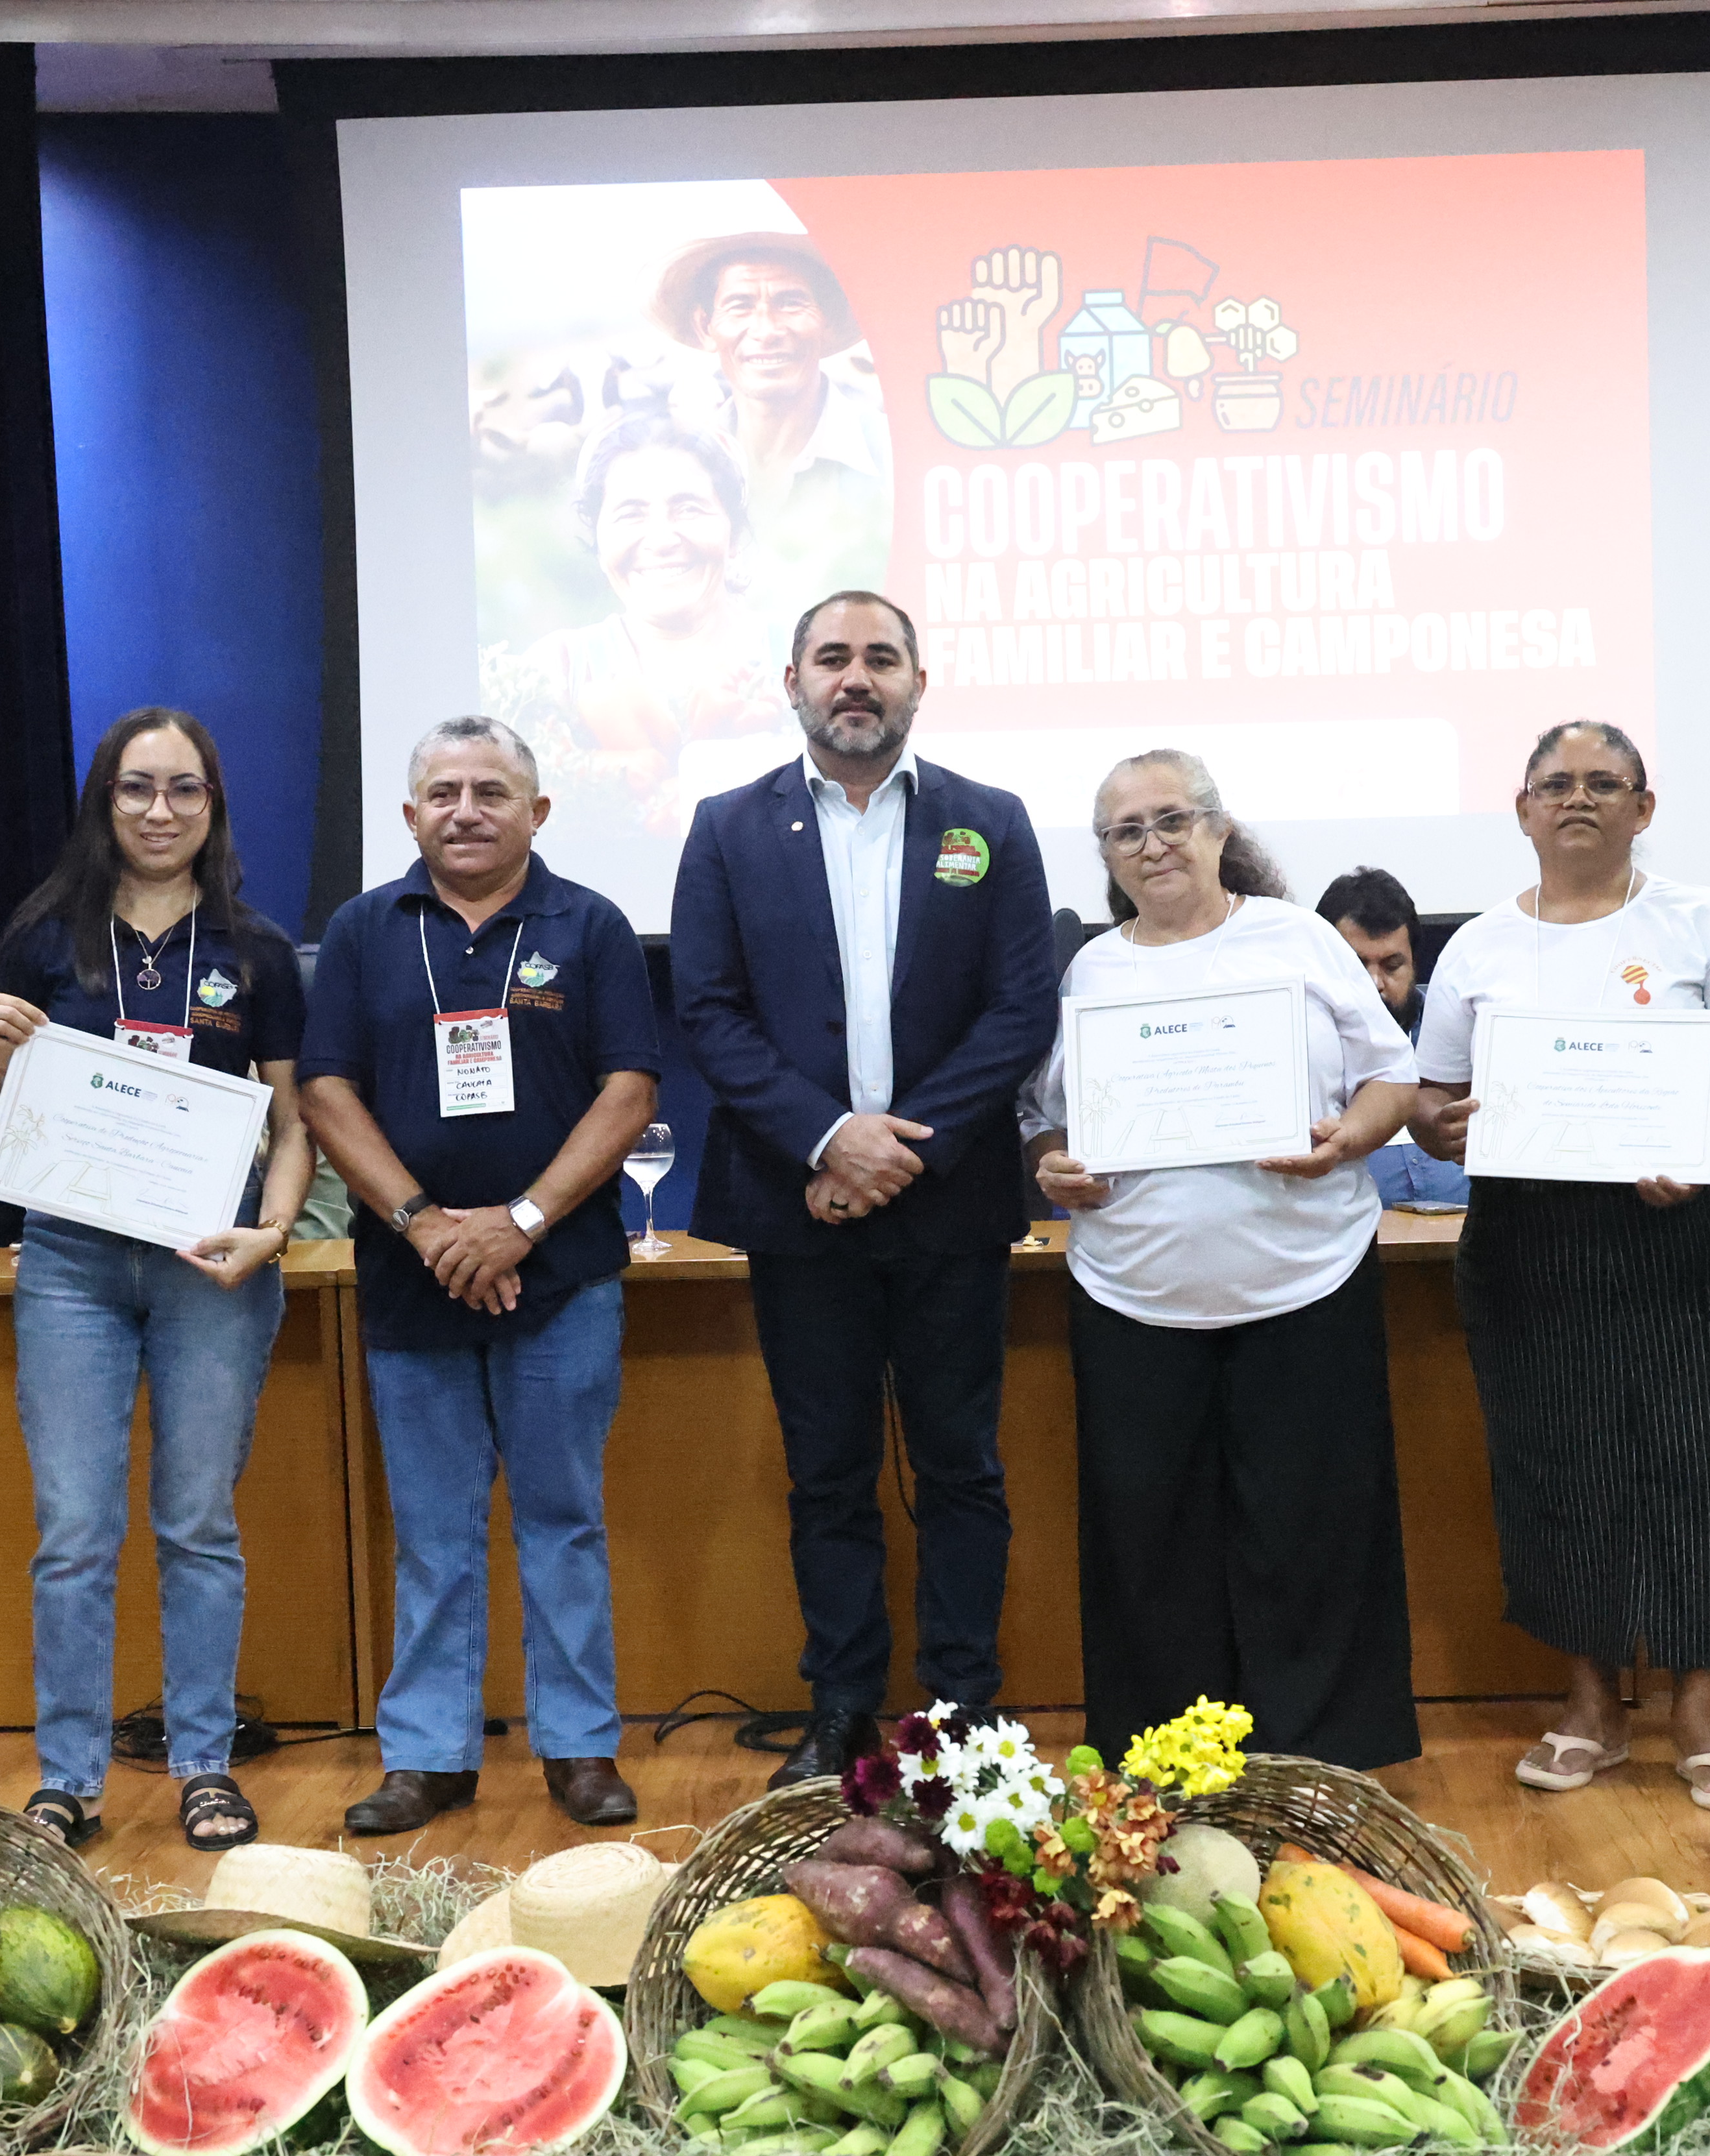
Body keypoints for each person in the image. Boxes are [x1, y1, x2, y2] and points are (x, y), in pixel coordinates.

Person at [672, 592, 1058, 1785]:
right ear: (790, 680)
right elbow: (708, 1012)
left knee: (961, 1466)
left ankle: (958, 1717)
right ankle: (841, 1708)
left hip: (949, 1203)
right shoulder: (729, 826)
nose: (856, 678)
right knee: (827, 1470)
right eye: (832, 658)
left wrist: (906, 1148)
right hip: (801, 1203)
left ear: (917, 682)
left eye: (878, 658)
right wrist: (829, 1139)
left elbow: (1020, 1010)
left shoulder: (986, 821)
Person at [1409, 723, 1710, 1809]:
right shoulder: (1479, 945)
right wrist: (1444, 1130)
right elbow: (1433, 1104)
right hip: (1532, 1248)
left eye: (1603, 782)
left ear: (1643, 806)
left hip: (1689, 1238)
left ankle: (1700, 1710)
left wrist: (1705, 1146)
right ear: (1523, 807)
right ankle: (1588, 1702)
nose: (1577, 797)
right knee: (1555, 1465)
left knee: (1704, 1463)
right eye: (1556, 783)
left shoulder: (1697, 921)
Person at [0, 709, 315, 1856]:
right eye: (137, 789)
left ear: (214, 807)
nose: (160, 811)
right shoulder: (44, 940)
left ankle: (204, 1762)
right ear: (104, 802)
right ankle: (69, 1778)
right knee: (72, 1530)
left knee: (198, 1522)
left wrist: (275, 1228)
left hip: (212, 1267)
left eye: (185, 791)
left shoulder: (255, 951)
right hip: (69, 1262)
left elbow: (293, 1125)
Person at [1023, 750, 1422, 1769]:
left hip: (1305, 1286)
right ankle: (1168, 1767)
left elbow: (1392, 1076)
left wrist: (1346, 1140)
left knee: (1315, 1536)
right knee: (1147, 1550)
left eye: (1171, 821)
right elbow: (1048, 1120)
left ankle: (1319, 1766)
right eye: (1126, 832)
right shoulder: (1091, 969)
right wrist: (1053, 1168)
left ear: (1217, 828)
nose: (1152, 846)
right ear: (1107, 855)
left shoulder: (1297, 940)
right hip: (1135, 1299)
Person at [299, 717, 661, 1835]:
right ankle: (428, 1757)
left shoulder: (590, 925)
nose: (466, 809)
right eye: (442, 792)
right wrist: (425, 1227)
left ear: (537, 811)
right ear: (408, 815)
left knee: (562, 1515)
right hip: (412, 1276)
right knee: (433, 1527)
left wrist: (517, 1223)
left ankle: (578, 1748)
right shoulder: (363, 930)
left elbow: (629, 1090)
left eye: (491, 791)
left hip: (561, 1276)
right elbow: (324, 1093)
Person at [478, 413, 788, 849]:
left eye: (689, 508)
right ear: (599, 539)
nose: (661, 538)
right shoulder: (557, 670)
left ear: (733, 533)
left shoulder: (803, 662)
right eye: (631, 514)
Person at [653, 232, 890, 625]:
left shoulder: (895, 456)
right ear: (704, 328)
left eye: (791, 303)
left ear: (828, 321)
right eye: (740, 306)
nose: (766, 330)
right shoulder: (676, 470)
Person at [1316, 866, 1468, 1209]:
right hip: (1355, 1246)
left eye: (1391, 965)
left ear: (1415, 963)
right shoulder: (1307, 1055)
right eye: (1356, 967)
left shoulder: (1459, 1037)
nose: (1374, 984)